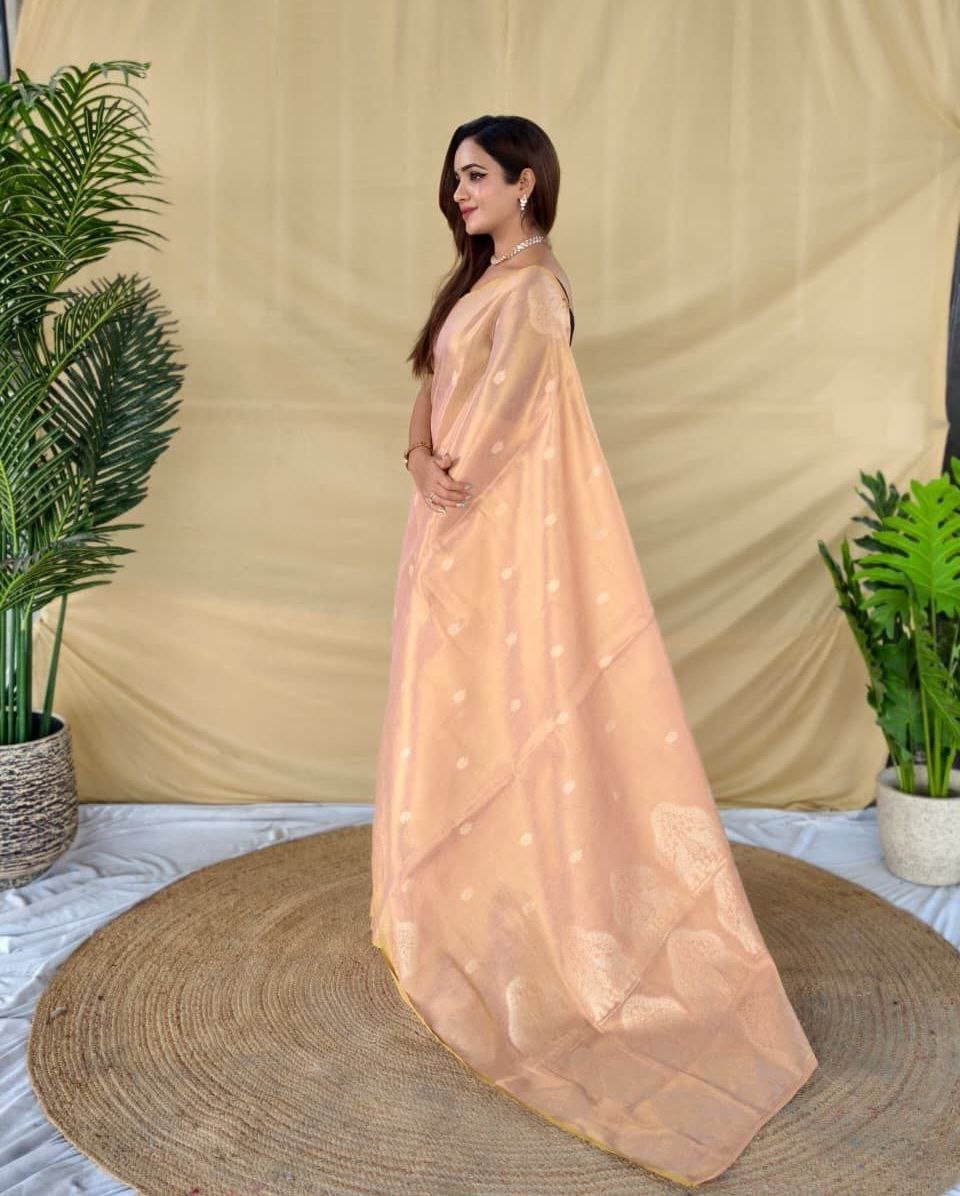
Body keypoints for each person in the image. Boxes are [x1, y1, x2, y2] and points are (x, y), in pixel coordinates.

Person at [369, 115, 818, 1188]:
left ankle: (526, 915)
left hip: (486, 545)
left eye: (477, 176)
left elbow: (502, 431)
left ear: (527, 182)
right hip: (446, 524)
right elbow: (436, 387)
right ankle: (454, 898)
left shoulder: (534, 292)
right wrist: (417, 456)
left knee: (493, 713)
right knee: (449, 713)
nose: (460, 192)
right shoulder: (481, 281)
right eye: (454, 178)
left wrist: (445, 485)